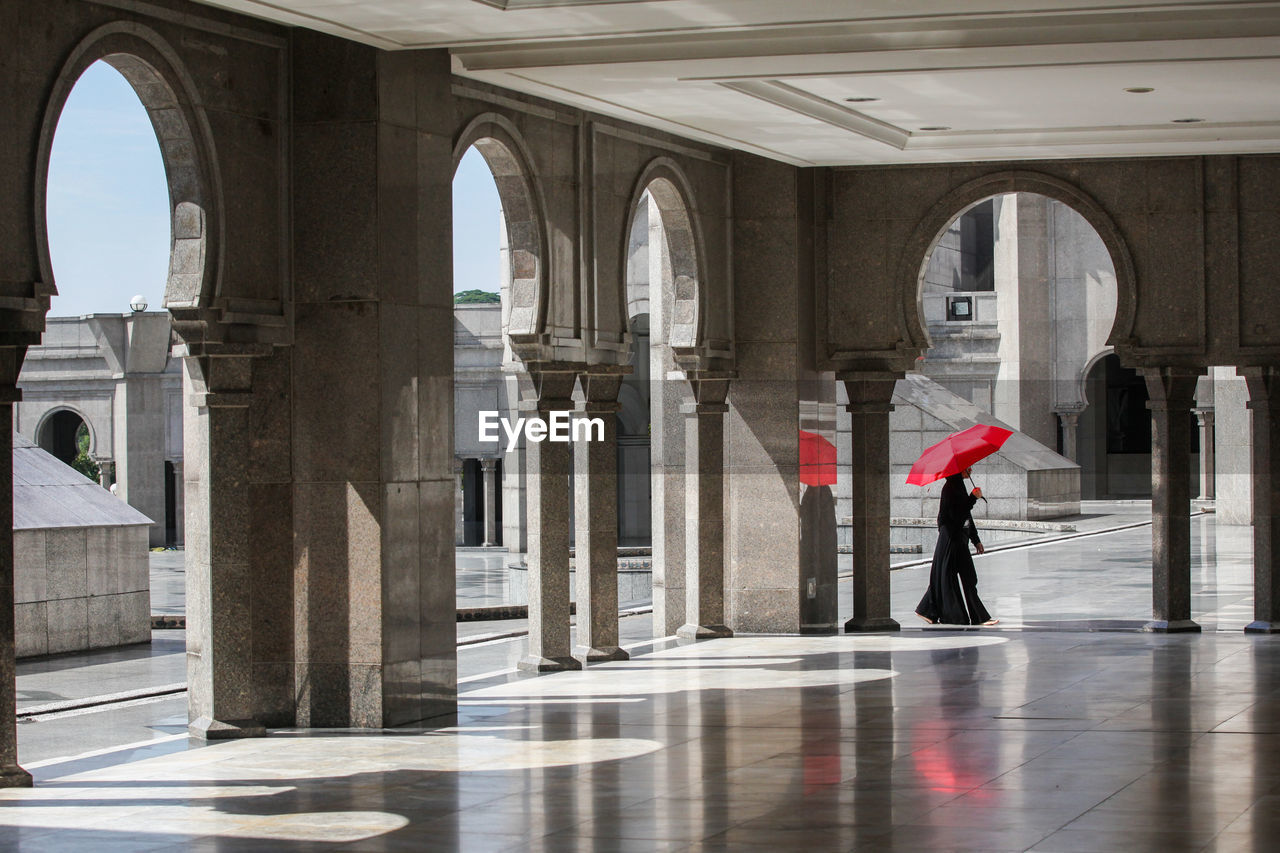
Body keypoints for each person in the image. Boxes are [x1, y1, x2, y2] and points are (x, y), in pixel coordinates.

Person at [915, 467, 998, 626]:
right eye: (967, 468)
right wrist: (972, 498)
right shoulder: (950, 488)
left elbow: (966, 516)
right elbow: (956, 514)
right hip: (951, 540)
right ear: (958, 470)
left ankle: (927, 610)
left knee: (960, 576)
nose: (971, 470)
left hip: (959, 539)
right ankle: (974, 617)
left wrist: (975, 539)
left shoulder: (959, 486)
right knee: (951, 576)